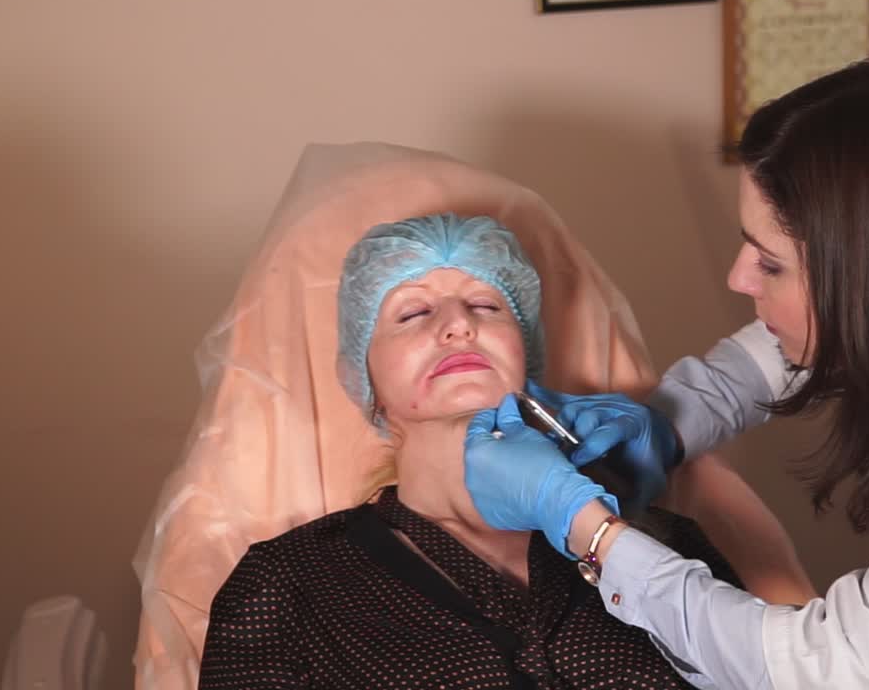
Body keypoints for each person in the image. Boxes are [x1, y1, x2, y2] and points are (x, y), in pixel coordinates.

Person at [464, 55, 869, 689]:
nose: (736, 277)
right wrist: (663, 424)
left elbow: (831, 668)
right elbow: (770, 359)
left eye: (770, 263)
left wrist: (586, 526)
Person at [197, 213, 748, 689]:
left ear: (524, 356)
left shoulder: (663, 543)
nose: (459, 324)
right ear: (367, 383)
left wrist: (592, 526)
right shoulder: (287, 586)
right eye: (413, 314)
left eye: (487, 305)